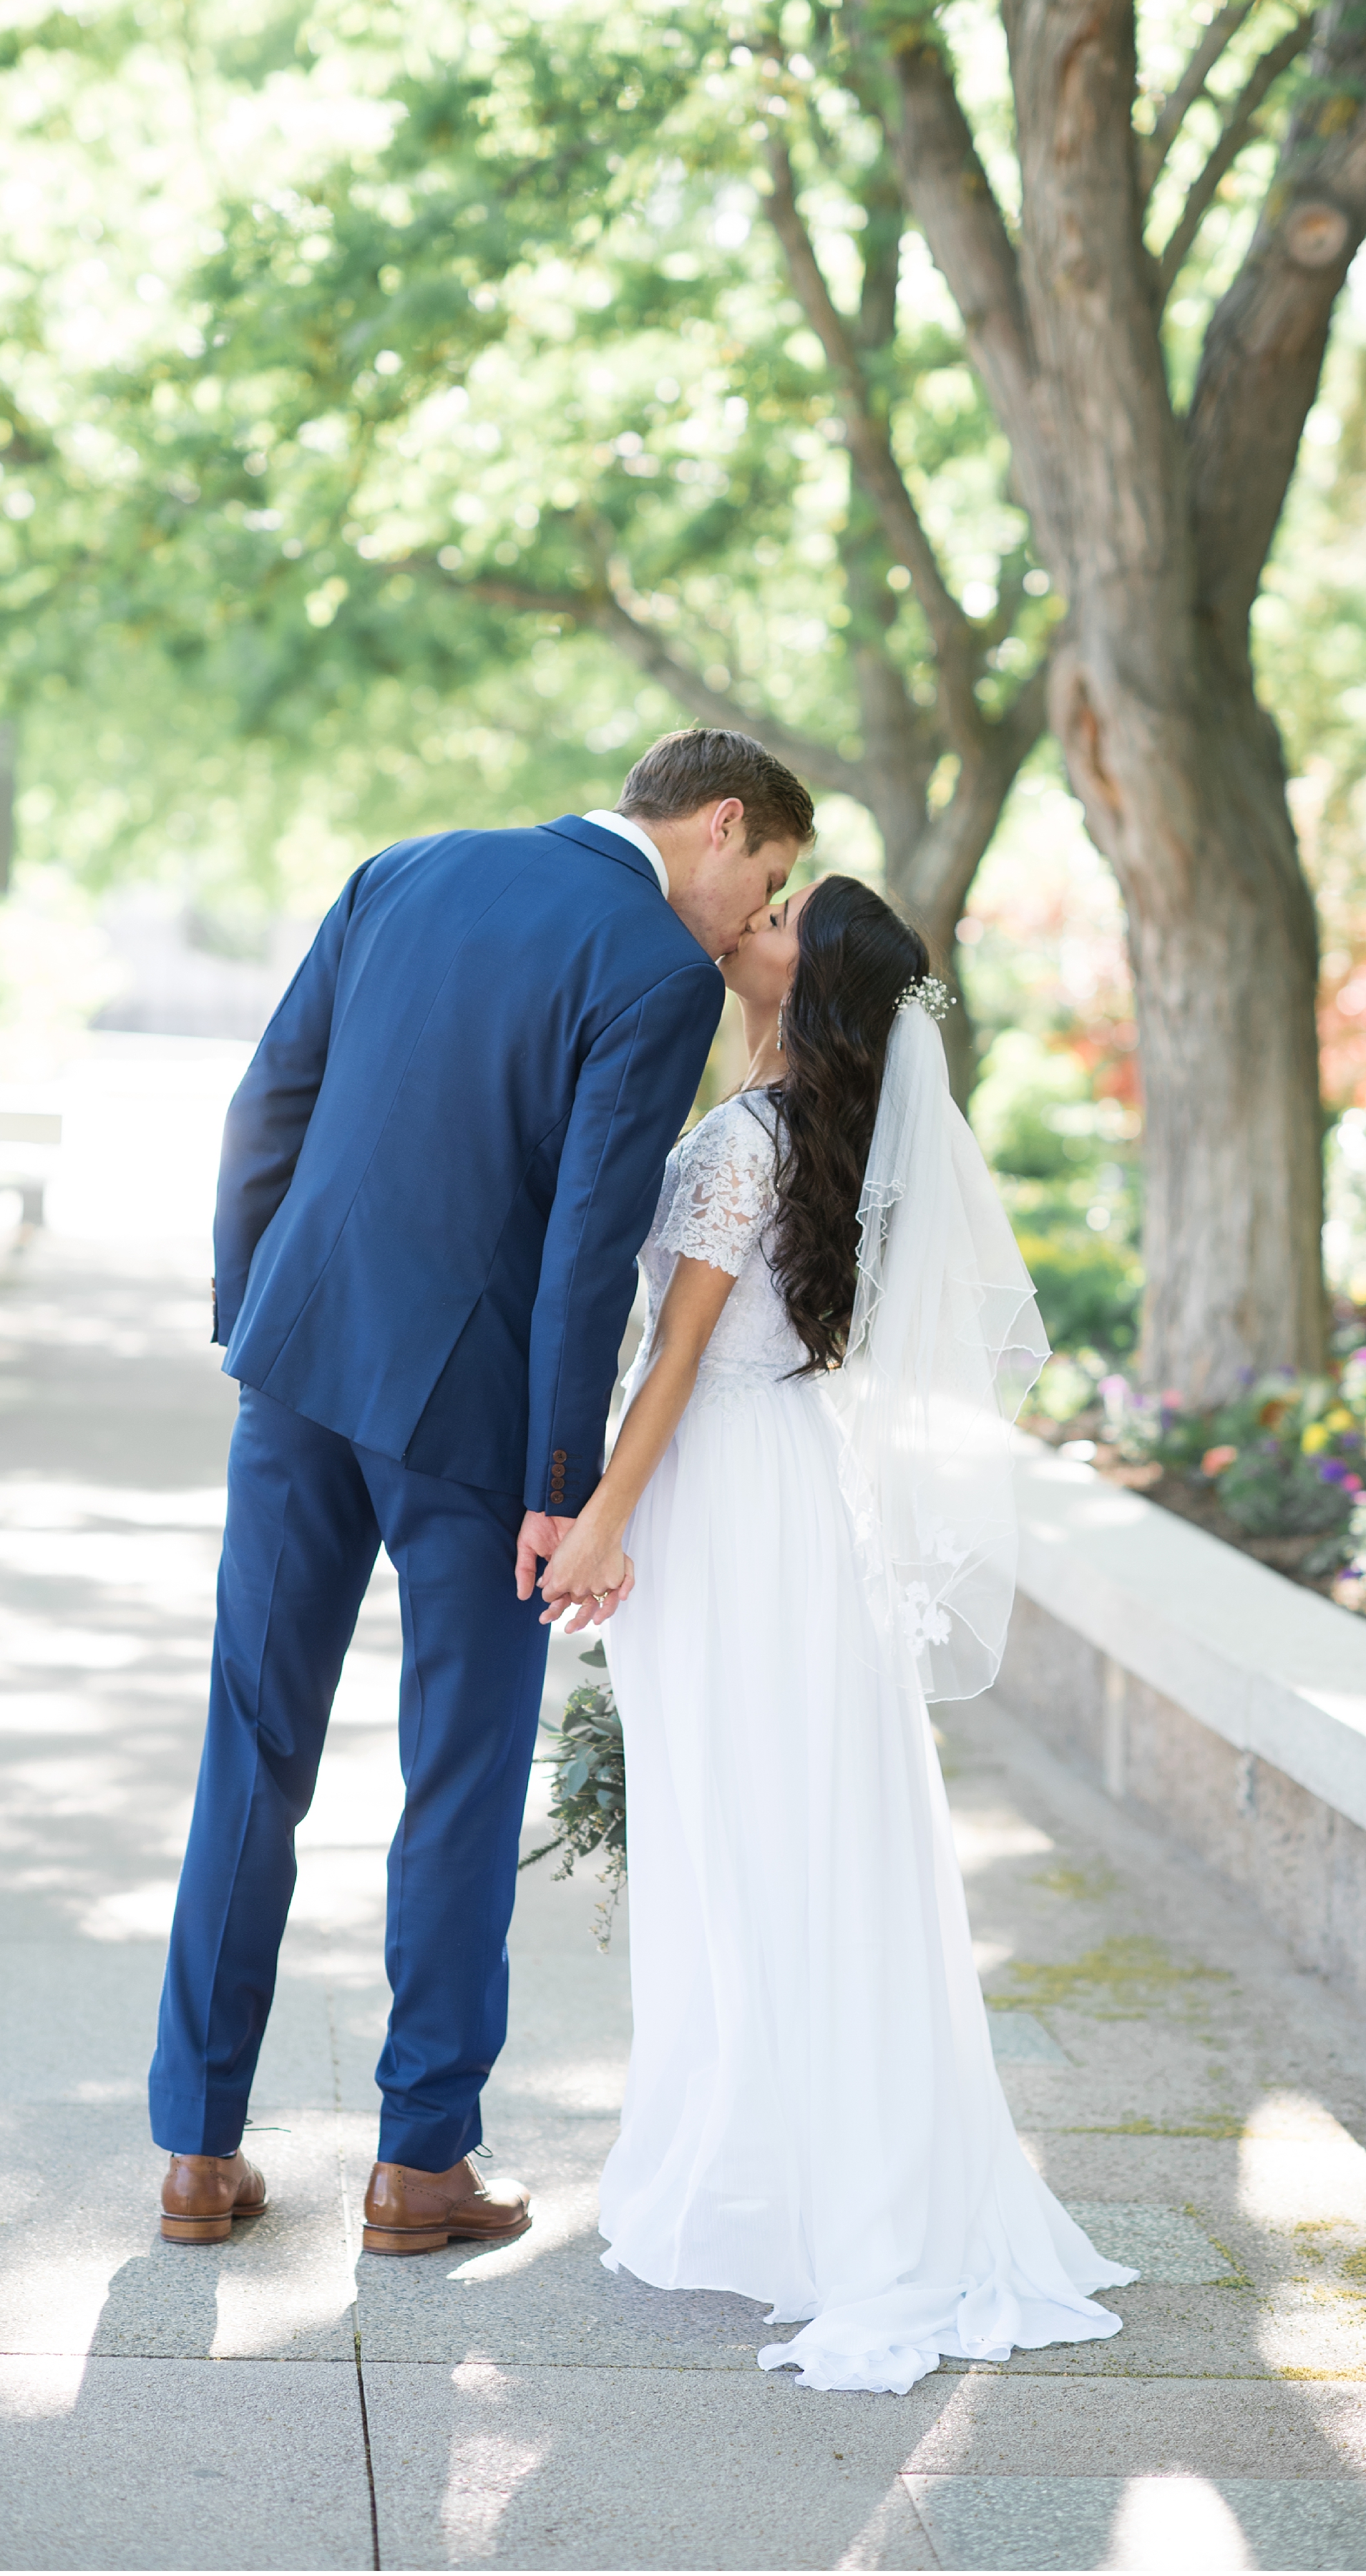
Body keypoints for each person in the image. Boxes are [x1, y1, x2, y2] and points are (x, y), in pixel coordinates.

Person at [149, 729, 812, 2250]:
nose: (744, 919)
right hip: (468, 1434)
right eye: (759, 881)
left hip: (297, 1374)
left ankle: (194, 2148)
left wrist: (251, 1315)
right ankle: (418, 2164)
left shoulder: (404, 871)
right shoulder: (657, 970)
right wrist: (561, 1486)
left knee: (250, 1746)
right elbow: (586, 1245)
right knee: (457, 1777)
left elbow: (271, 1103)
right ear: (719, 826)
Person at [537, 875, 1138, 2393]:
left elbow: (673, 1359)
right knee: (776, 1829)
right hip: (790, 1495)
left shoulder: (750, 1140)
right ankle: (775, 2177)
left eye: (781, 917)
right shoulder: (818, 1133)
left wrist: (602, 1516)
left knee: (747, 1833)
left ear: (811, 984)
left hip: (724, 1495)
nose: (751, 923)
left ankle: (808, 2201)